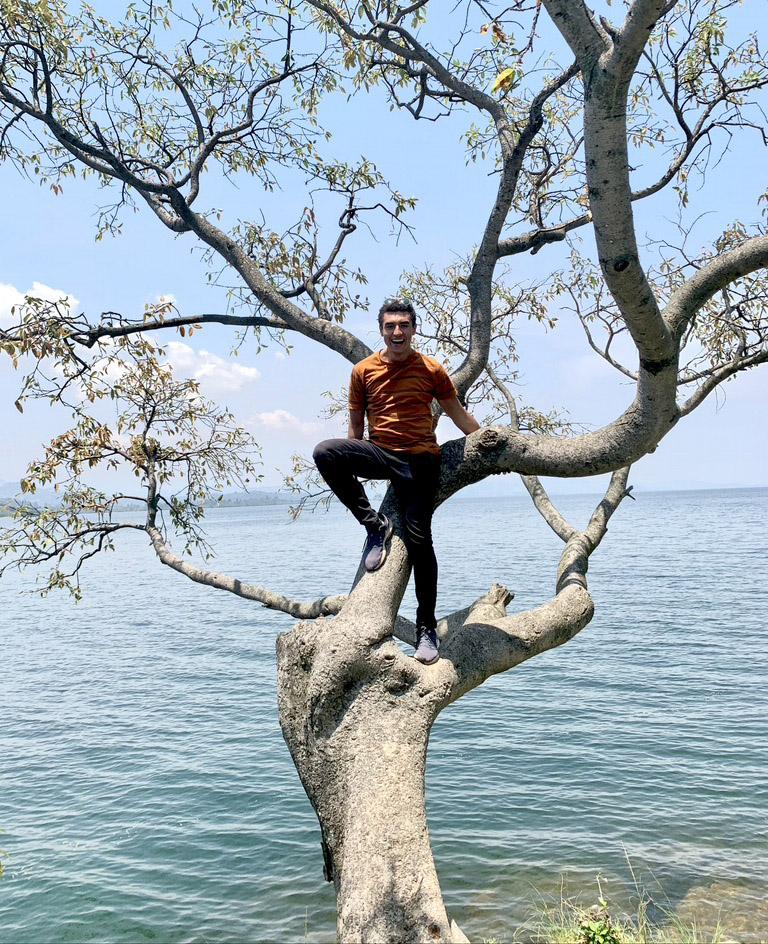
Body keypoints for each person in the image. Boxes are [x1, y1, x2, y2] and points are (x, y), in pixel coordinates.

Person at [312, 298, 480, 665]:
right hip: (380, 453)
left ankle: (426, 629)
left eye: (404, 325)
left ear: (414, 329)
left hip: (420, 460)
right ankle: (375, 526)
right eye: (390, 326)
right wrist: (351, 461)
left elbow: (456, 414)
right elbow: (355, 427)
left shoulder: (431, 369)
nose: (397, 332)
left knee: (420, 542)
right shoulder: (363, 371)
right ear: (382, 331)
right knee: (326, 451)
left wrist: (488, 442)